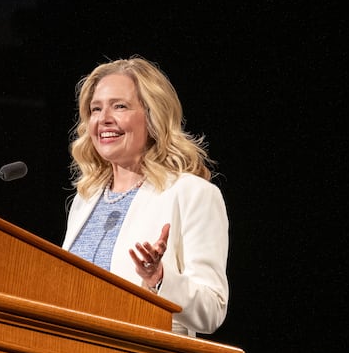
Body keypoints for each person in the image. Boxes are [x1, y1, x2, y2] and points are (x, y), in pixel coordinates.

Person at [62, 56, 229, 336]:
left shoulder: (192, 193)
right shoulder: (85, 199)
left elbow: (212, 309)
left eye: (120, 106)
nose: (104, 119)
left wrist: (160, 278)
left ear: (153, 117)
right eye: (96, 109)